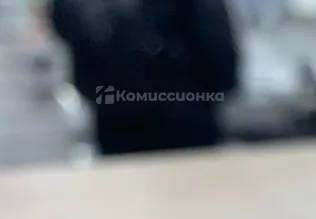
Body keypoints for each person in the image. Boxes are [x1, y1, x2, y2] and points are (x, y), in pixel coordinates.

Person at [49, 0, 240, 156]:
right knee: (195, 184)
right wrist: (221, 88)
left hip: (112, 109)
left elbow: (63, 22)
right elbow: (216, 39)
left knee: (126, 183)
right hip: (185, 107)